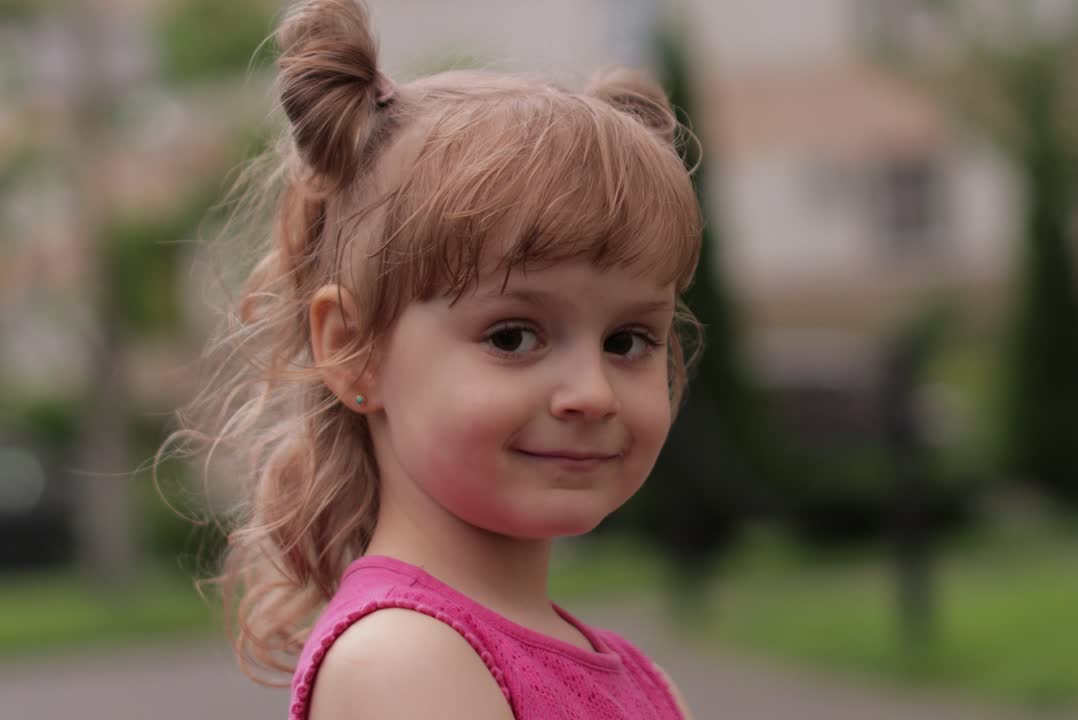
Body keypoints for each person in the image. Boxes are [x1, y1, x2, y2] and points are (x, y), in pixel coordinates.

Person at [167, 0, 703, 718]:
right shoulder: (407, 662)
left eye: (627, 342)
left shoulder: (631, 671)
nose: (592, 393)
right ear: (352, 350)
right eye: (513, 336)